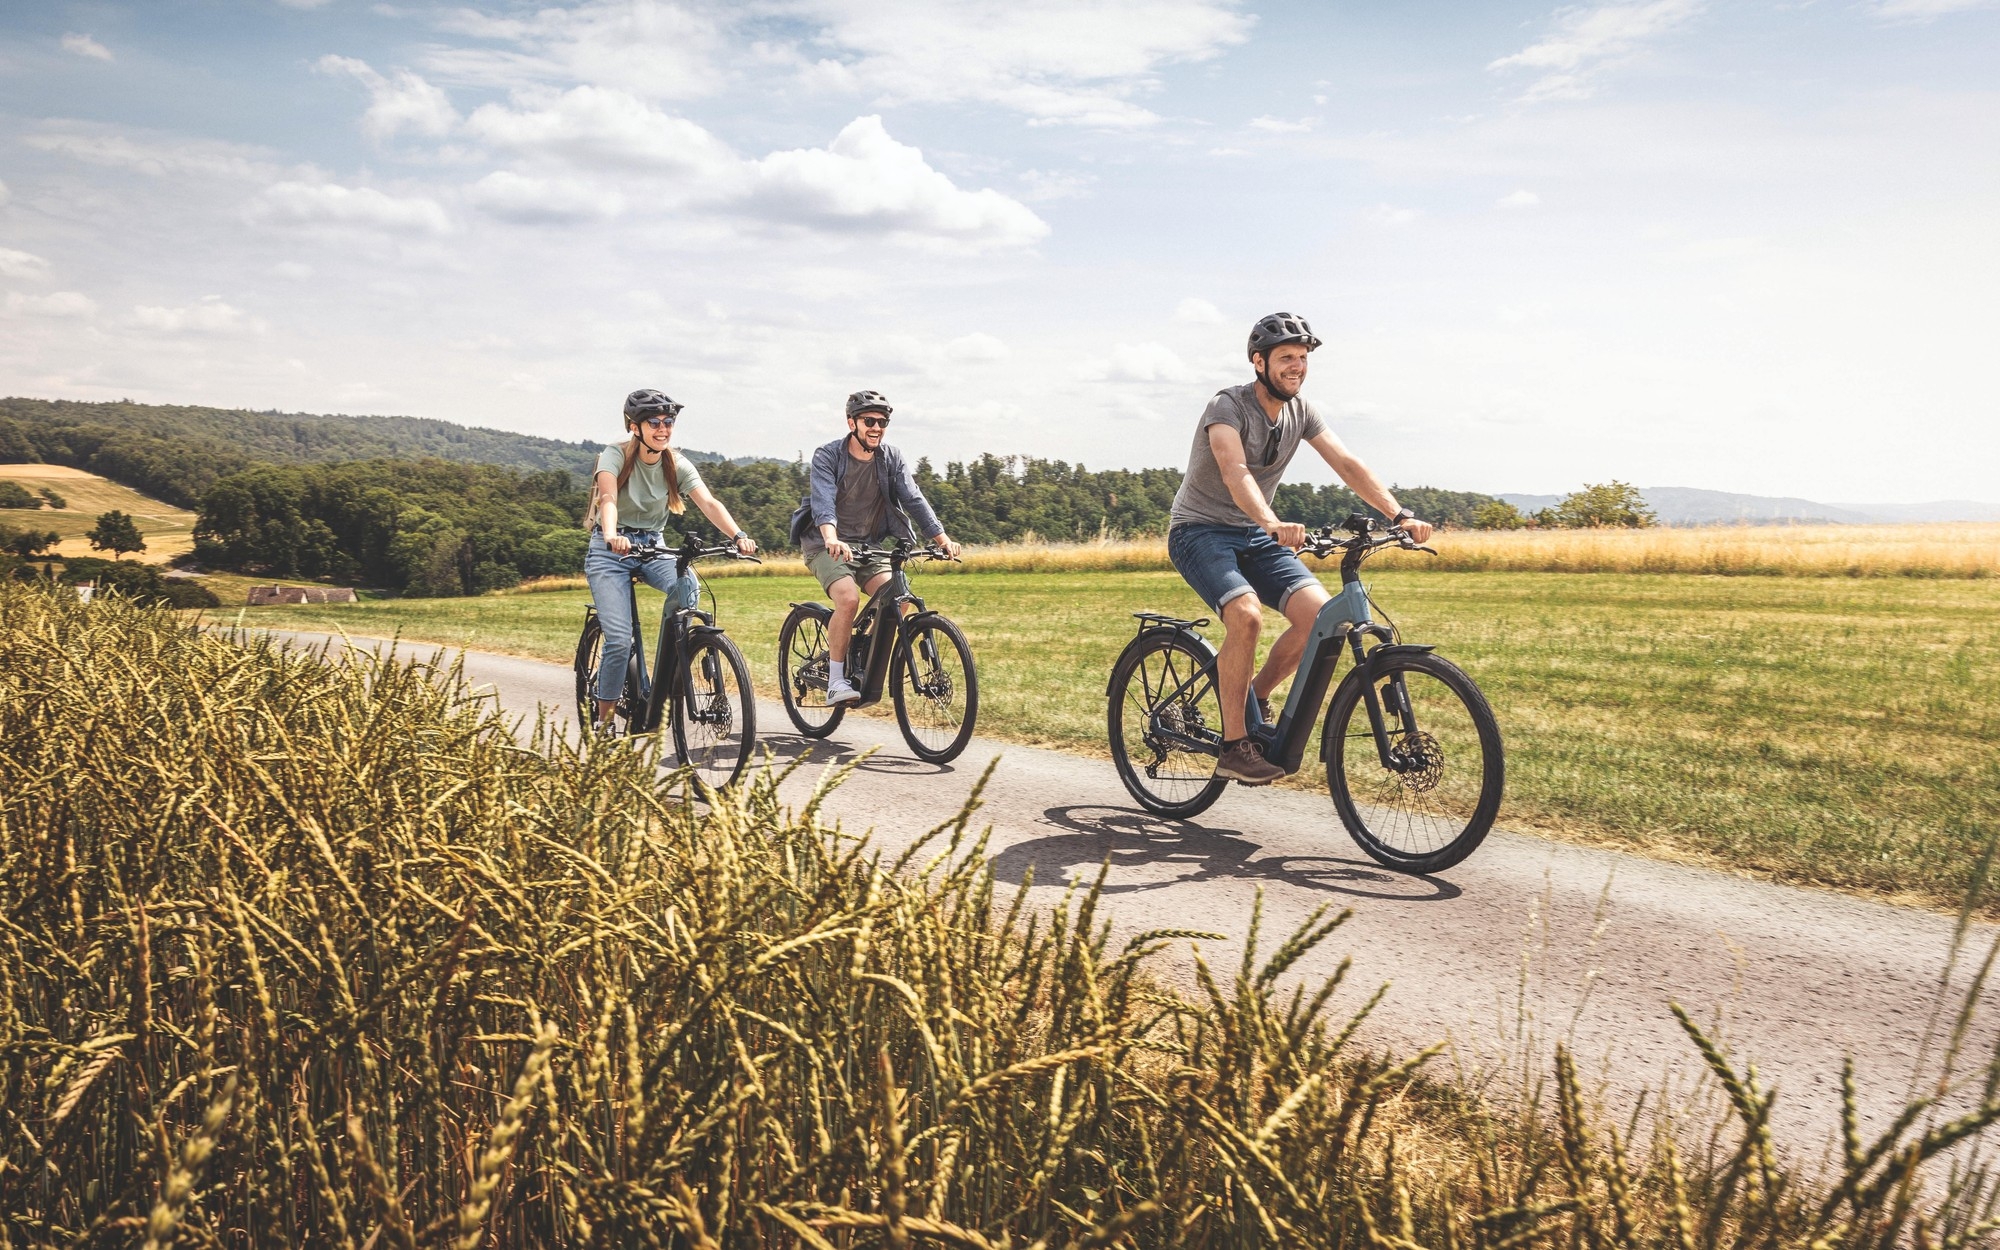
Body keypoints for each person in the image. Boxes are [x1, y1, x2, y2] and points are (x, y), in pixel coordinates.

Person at [1167, 313, 1435, 785]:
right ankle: (1234, 747)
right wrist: (1270, 520)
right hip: (1200, 530)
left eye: (1303, 358)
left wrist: (1399, 514)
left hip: (1255, 534)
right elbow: (1235, 471)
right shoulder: (1226, 406)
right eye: (1286, 358)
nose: (1296, 366)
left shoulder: (1301, 412)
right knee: (1245, 616)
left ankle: (1252, 695)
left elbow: (1347, 463)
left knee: (1321, 618)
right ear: (1259, 362)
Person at [585, 388, 757, 730]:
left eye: (668, 422)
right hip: (610, 550)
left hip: (653, 546)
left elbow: (708, 502)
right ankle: (603, 723)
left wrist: (737, 536)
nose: (663, 428)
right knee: (619, 641)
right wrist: (609, 534)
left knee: (687, 588)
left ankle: (667, 674)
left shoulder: (675, 463)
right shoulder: (614, 455)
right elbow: (607, 498)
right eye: (654, 422)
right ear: (635, 427)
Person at [795, 390, 960, 705]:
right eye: (869, 420)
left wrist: (942, 538)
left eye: (882, 422)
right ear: (852, 423)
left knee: (899, 600)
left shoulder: (891, 458)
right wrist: (830, 537)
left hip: (869, 546)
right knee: (848, 598)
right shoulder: (828, 455)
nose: (876, 427)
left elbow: (914, 498)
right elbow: (823, 501)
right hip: (824, 544)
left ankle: (861, 656)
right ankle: (835, 680)